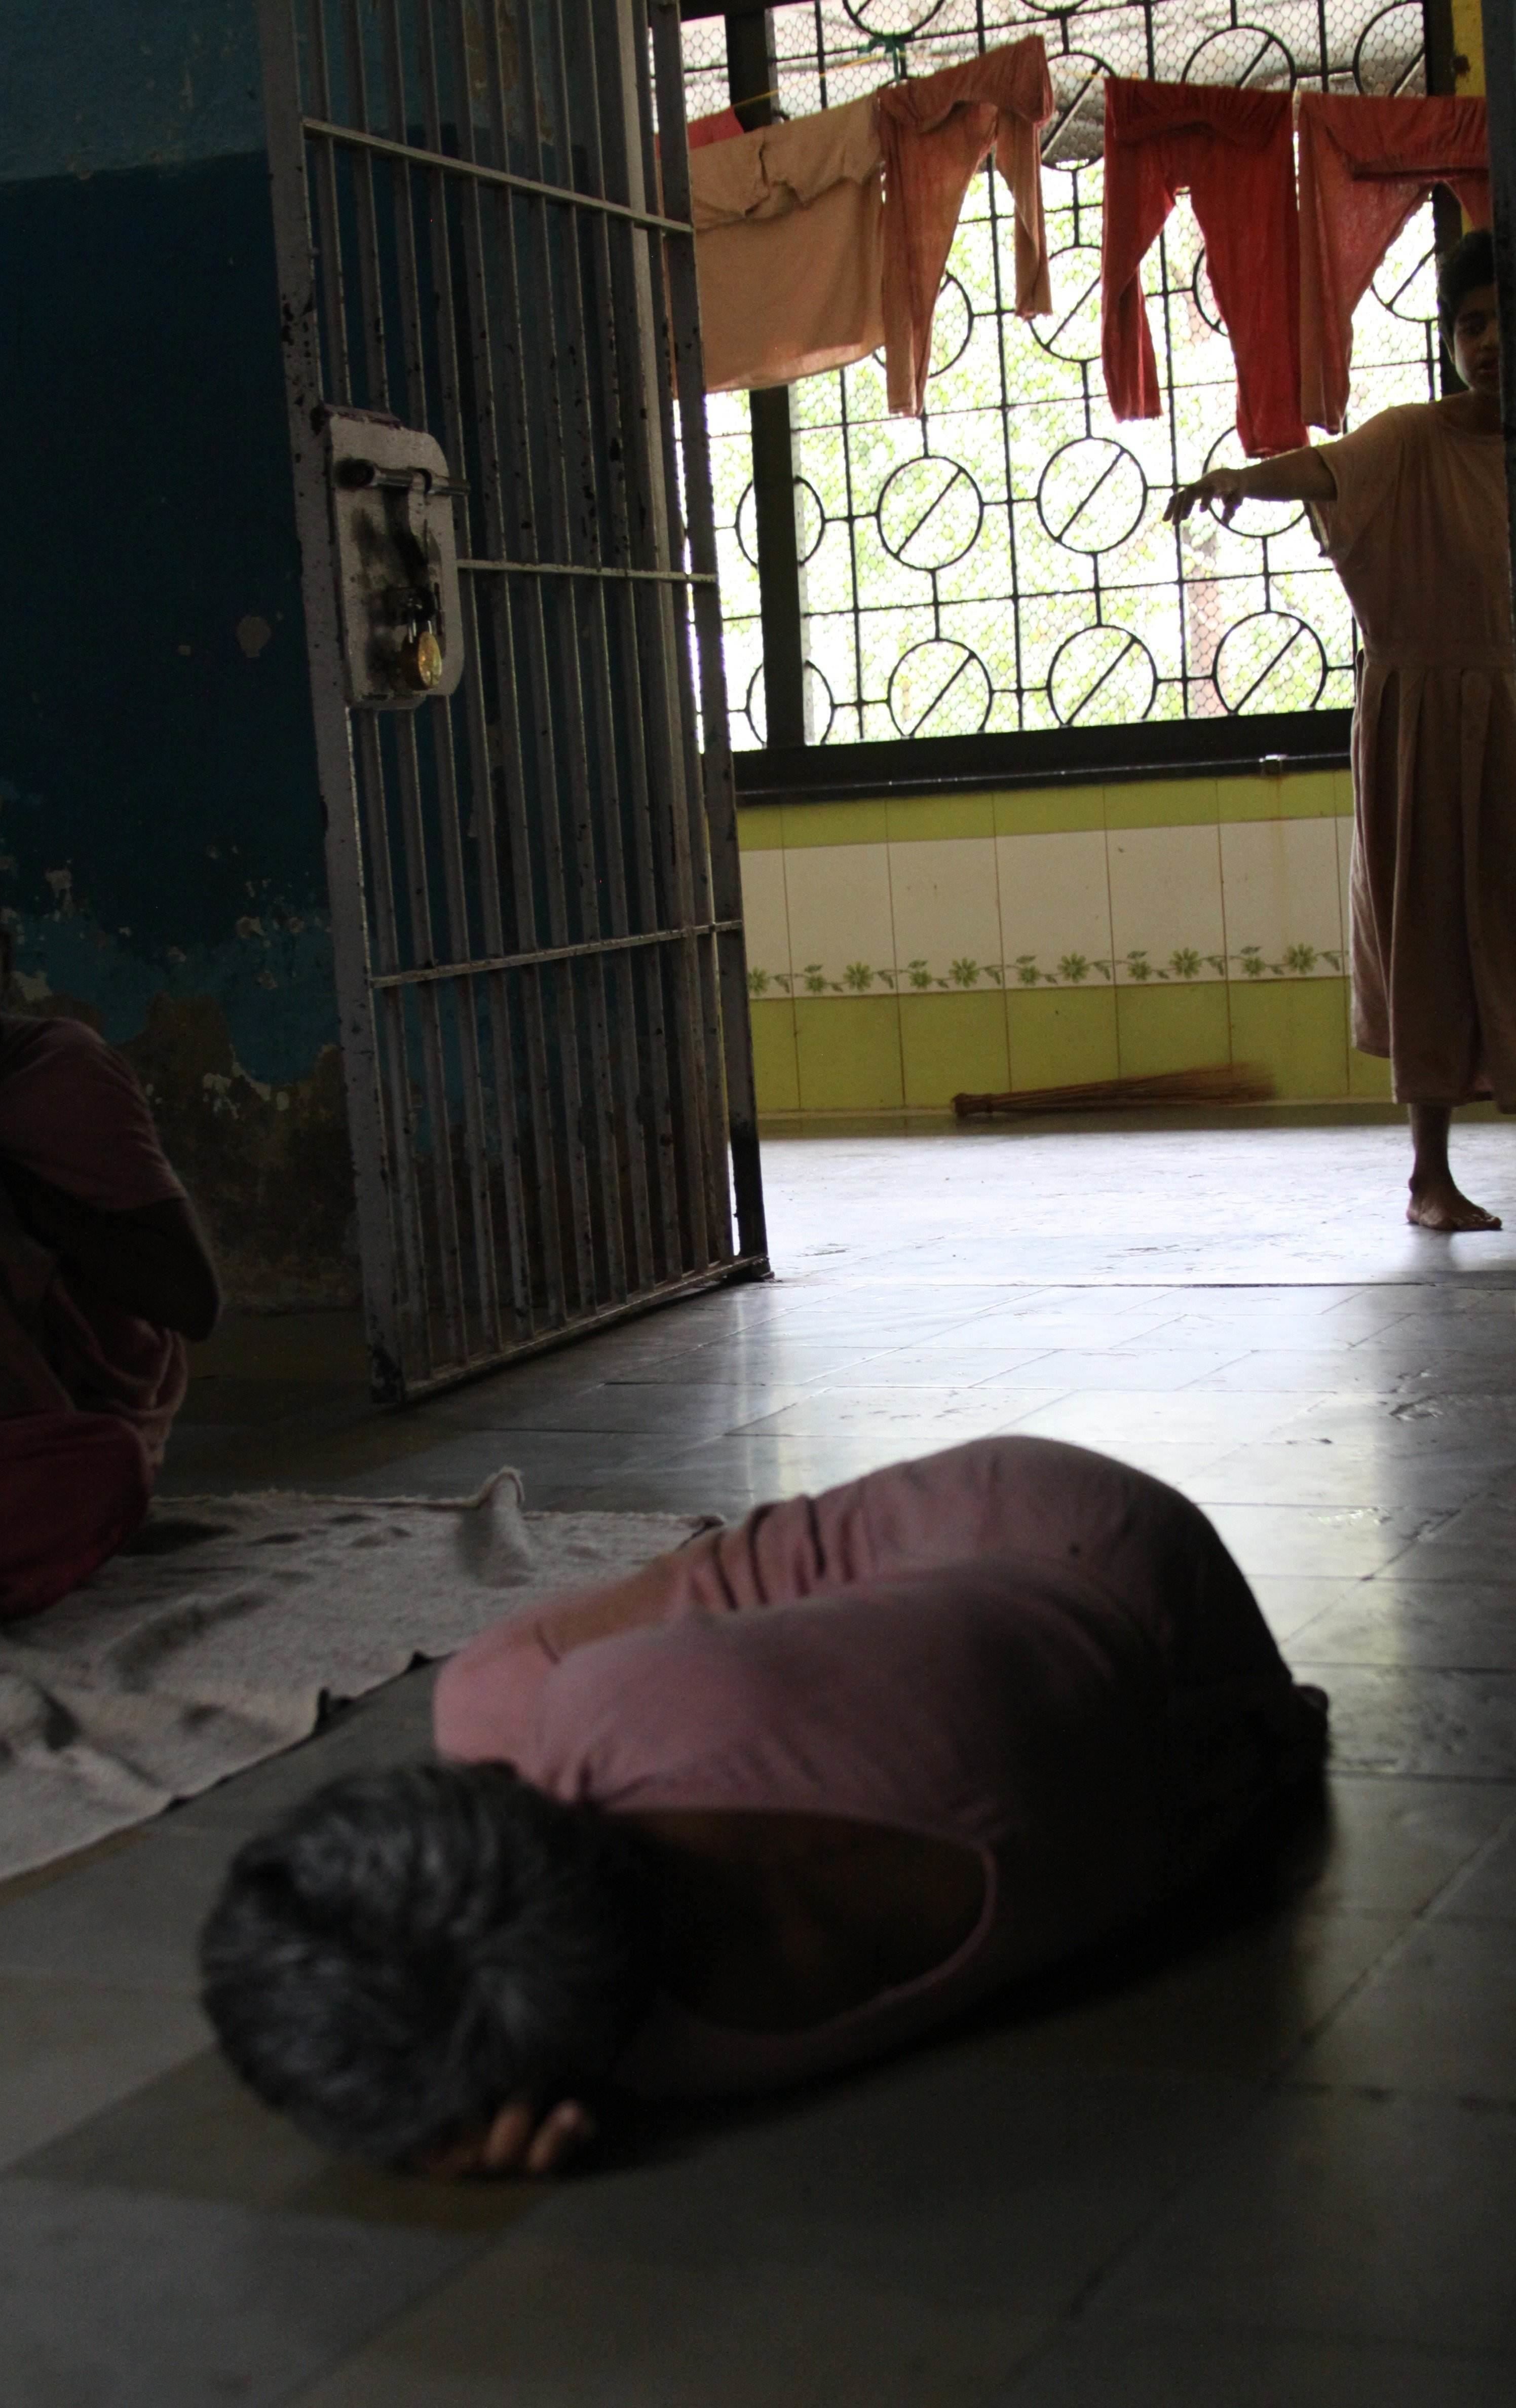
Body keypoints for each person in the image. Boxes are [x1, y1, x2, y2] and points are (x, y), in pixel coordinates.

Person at [200, 1435, 1327, 2178]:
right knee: (484, 1687)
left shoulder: (662, 2072)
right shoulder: (606, 1706)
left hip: (1207, 1769)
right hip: (1122, 1559)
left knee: (492, 1698)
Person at [1166, 228, 1515, 1232]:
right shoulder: (1412, 439)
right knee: (1431, 935)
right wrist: (1237, 481)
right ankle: (1430, 1178)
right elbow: (1321, 471)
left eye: (1505, 321)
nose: (1488, 342)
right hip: (1426, 724)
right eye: (1471, 324)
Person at [0, 809, 221, 1651]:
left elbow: (191, 1299)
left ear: (5, 948)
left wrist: (8, 1191)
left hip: (44, 1437)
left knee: (100, 1474)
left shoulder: (59, 1072)